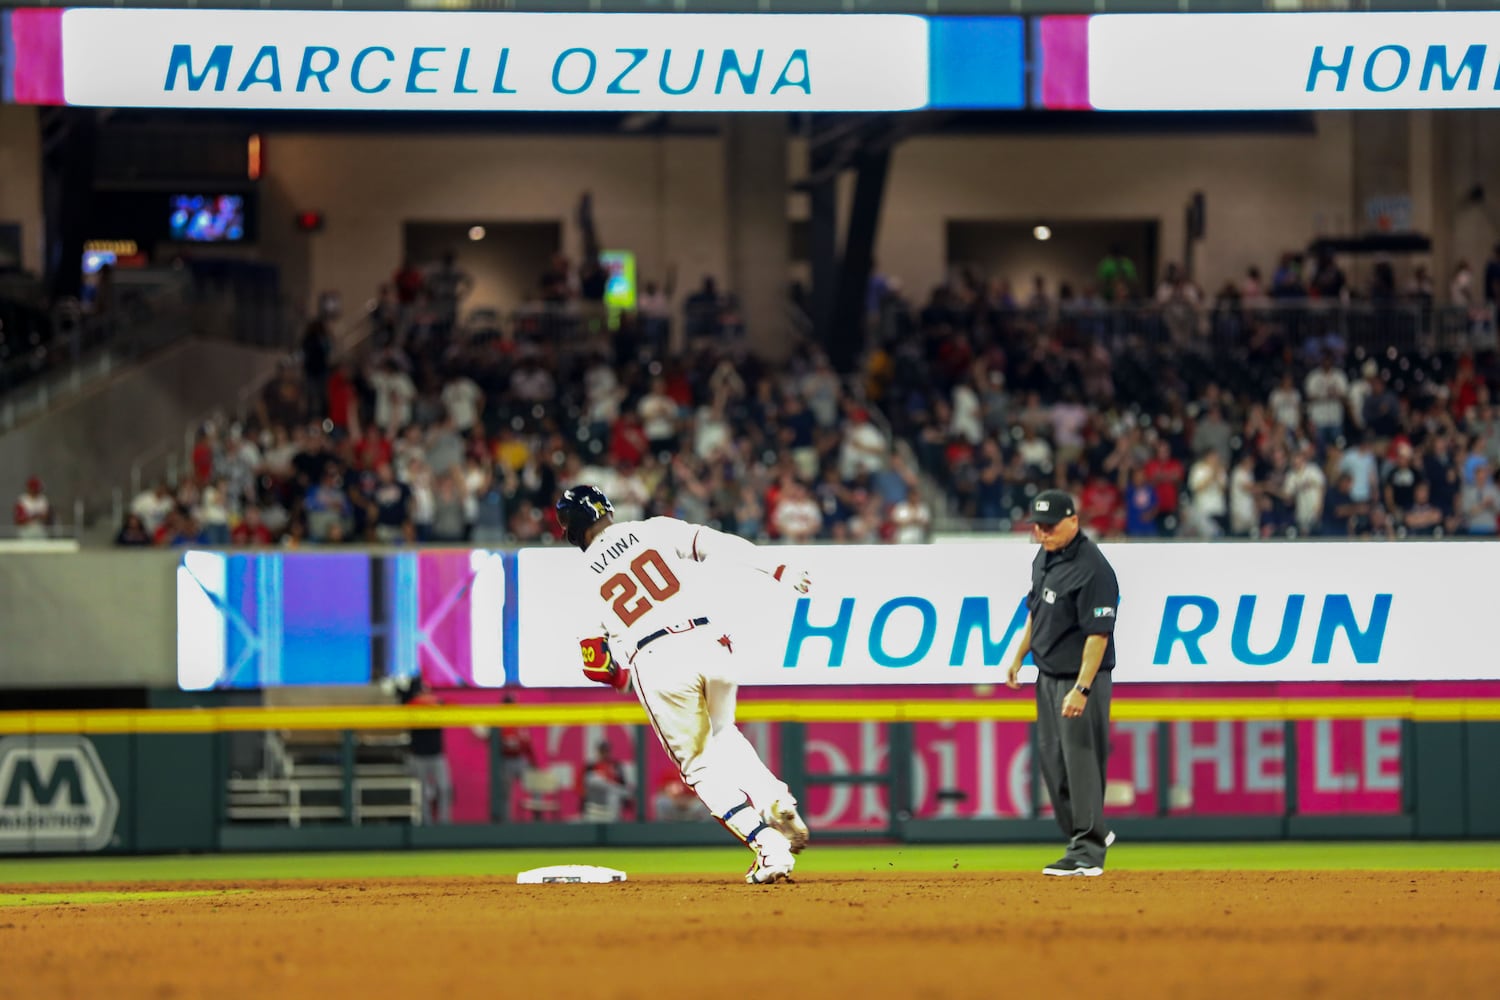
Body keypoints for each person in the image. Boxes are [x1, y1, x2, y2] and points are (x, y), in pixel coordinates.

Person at [555, 484, 810, 885]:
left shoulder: (585, 578)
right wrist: (777, 569)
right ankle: (772, 798)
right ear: (606, 509)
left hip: (655, 655)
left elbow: (596, 663)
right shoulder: (652, 529)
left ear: (571, 529)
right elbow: (717, 543)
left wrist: (623, 680)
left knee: (700, 766)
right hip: (711, 640)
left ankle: (769, 847)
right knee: (724, 734)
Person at [1005, 489, 1119, 877]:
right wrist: (1019, 655)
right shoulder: (1045, 558)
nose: (1042, 532)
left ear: (1073, 520)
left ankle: (1087, 853)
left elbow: (1098, 636)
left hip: (1079, 679)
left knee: (1080, 763)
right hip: (1048, 675)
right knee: (1055, 767)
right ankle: (1089, 835)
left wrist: (1083, 688)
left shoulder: (1094, 569)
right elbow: (1035, 611)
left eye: (1050, 525)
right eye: (1037, 525)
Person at [399, 676, 453, 825]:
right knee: (421, 792)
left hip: (437, 754)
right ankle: (425, 824)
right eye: (422, 690)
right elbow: (404, 702)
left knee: (444, 788)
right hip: (418, 755)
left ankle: (444, 824)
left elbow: (450, 705)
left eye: (426, 690)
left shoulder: (437, 702)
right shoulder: (412, 704)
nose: (425, 693)